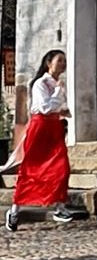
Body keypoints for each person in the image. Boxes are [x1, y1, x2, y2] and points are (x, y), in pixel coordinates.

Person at [4, 50, 74, 231]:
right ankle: (14, 210)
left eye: (64, 61)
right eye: (60, 60)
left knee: (61, 168)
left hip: (54, 129)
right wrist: (58, 92)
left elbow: (57, 106)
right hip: (40, 128)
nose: (63, 64)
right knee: (32, 170)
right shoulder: (40, 84)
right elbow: (44, 107)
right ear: (49, 63)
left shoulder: (57, 83)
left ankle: (60, 207)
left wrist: (63, 110)